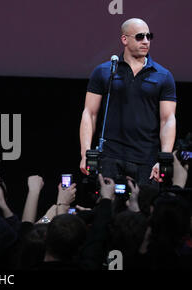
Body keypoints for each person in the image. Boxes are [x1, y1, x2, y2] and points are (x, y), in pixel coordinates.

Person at [79, 18, 176, 185]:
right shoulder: (104, 71)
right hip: (109, 157)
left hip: (147, 160)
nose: (146, 41)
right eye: (140, 37)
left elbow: (167, 120)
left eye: (148, 36)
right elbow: (90, 113)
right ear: (124, 39)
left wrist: (164, 159)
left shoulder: (163, 75)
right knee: (108, 208)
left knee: (144, 209)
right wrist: (85, 154)